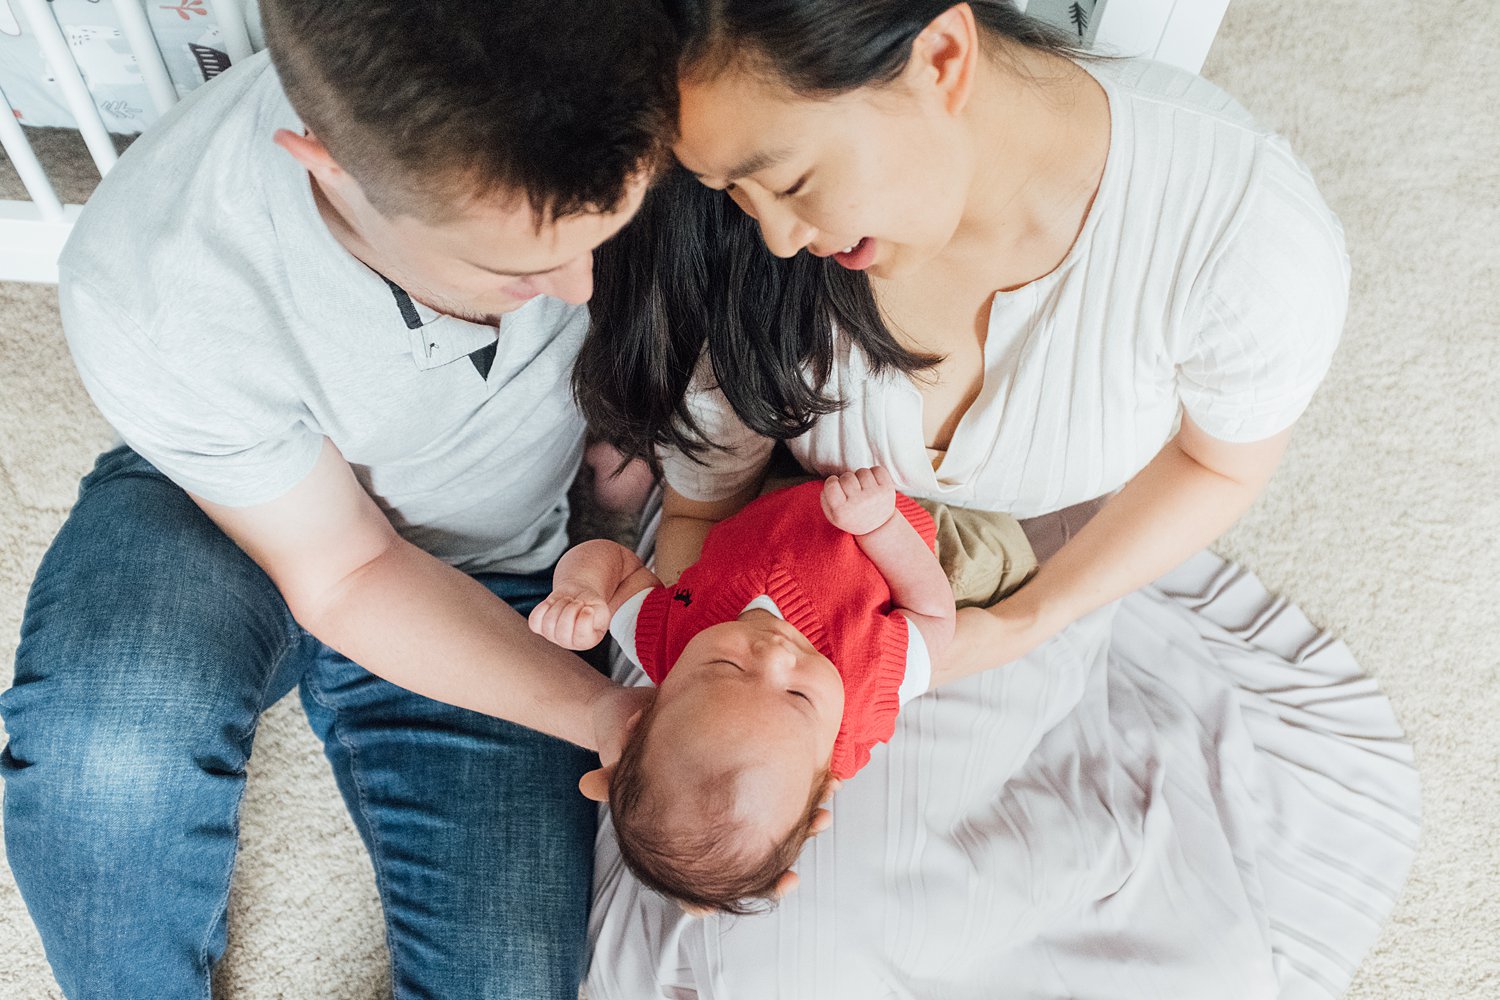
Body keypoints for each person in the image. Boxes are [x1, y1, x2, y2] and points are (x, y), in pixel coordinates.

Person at [577, 2, 1420, 998]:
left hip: (1024, 574)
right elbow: (702, 512)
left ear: (940, 55)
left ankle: (1080, 806)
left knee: (844, 946)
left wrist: (1022, 623)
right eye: (734, 187)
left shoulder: (1238, 236)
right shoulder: (755, 234)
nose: (777, 228)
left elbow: (1220, 465)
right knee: (736, 934)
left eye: (794, 181)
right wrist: (710, 671)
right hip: (802, 558)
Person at [0, 1, 674, 997]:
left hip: (494, 564)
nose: (581, 288)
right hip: (228, 515)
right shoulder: (149, 281)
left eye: (599, 237)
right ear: (330, 164)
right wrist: (606, 712)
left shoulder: (618, 81)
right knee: (105, 756)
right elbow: (348, 570)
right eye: (517, 264)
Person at [532, 467, 1032, 913]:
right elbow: (933, 615)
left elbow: (614, 565)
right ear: (825, 776)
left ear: (649, 708)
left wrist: (580, 589)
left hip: (788, 504)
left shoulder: (663, 643)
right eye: (798, 697)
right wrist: (880, 527)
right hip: (920, 537)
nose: (774, 654)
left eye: (725, 666)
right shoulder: (866, 688)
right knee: (997, 547)